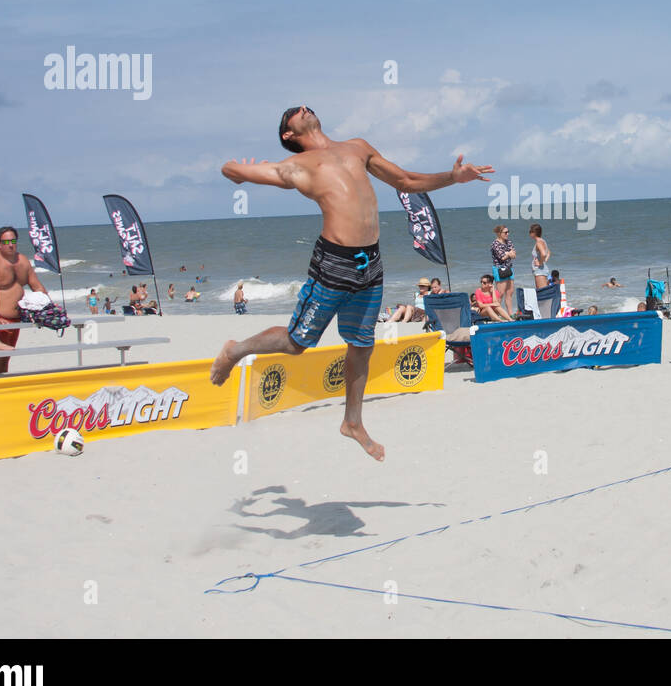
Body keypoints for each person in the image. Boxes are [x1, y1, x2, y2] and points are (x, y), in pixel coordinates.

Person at [209, 104, 492, 462]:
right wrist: (236, 171)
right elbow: (232, 169)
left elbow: (405, 181)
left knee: (361, 344)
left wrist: (453, 178)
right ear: (288, 133)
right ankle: (236, 349)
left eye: (305, 105)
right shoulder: (295, 166)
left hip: (370, 264)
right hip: (334, 263)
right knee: (298, 343)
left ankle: (352, 422)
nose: (303, 107)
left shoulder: (357, 147)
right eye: (294, 111)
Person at [0, 227, 48, 375]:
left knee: (7, 356)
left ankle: (1, 383)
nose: (10, 245)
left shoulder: (22, 260)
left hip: (16, 317)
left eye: (13, 241)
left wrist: (50, 308)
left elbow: (36, 285)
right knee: (1, 356)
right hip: (0, 317)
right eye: (6, 242)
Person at [490, 225, 516, 318]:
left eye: (508, 231)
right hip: (499, 269)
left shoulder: (509, 242)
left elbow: (514, 255)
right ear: (499, 233)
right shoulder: (495, 244)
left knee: (510, 292)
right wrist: (509, 253)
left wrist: (507, 254)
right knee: (500, 293)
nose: (507, 234)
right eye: (505, 232)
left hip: (509, 268)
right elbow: (502, 257)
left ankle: (510, 314)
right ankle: (496, 314)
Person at [529, 224, 551, 290]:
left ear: (534, 233)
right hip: (541, 269)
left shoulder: (539, 242)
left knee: (542, 292)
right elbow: (549, 252)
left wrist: (540, 263)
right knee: (543, 291)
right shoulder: (542, 241)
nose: (529, 233)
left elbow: (544, 254)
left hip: (540, 271)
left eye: (530, 231)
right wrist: (544, 261)